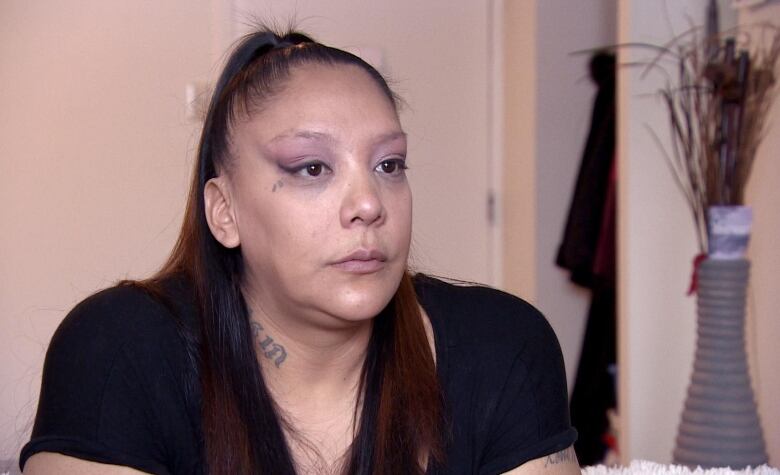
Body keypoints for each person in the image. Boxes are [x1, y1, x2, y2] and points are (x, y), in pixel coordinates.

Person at [20, 29, 578, 475]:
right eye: (312, 168)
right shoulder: (117, 350)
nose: (368, 204)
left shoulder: (503, 346)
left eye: (389, 165)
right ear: (225, 211)